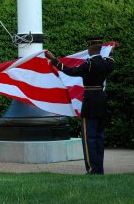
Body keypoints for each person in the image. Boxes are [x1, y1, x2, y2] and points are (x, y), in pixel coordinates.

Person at [45, 37, 115, 175]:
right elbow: (112, 60)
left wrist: (53, 59)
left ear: (91, 48)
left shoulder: (88, 64)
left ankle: (92, 169)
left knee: (89, 138)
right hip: (101, 100)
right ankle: (99, 169)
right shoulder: (107, 64)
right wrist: (111, 51)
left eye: (88, 47)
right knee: (99, 137)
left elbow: (70, 71)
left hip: (90, 102)